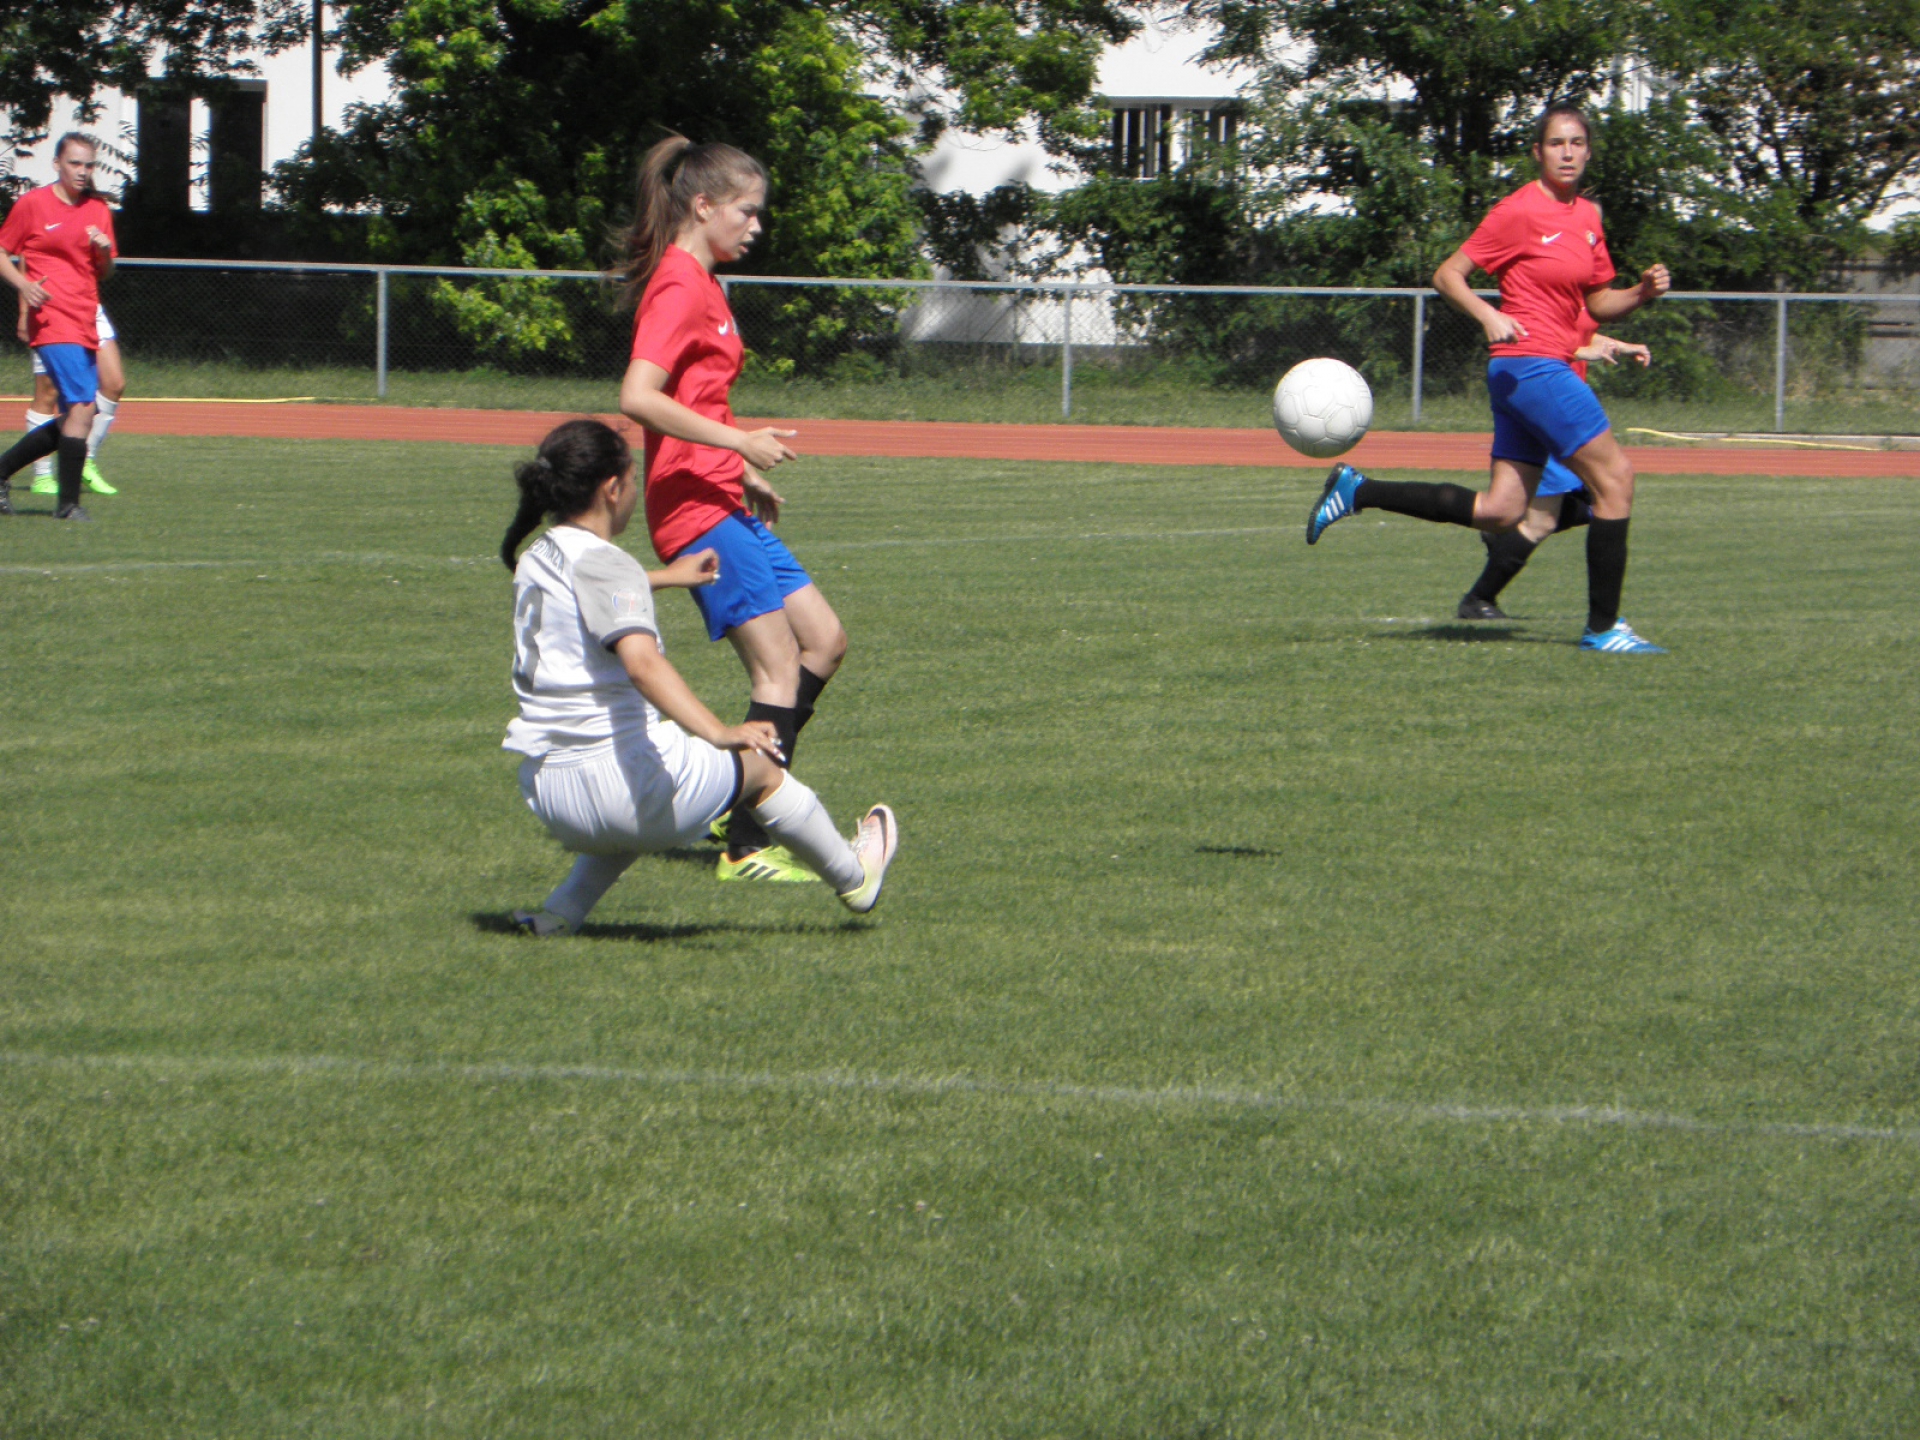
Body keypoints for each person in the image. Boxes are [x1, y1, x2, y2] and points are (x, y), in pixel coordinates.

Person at [501, 418, 898, 936]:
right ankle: (855, 876)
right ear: (612, 489)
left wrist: (667, 577)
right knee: (760, 768)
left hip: (551, 792)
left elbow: (588, 590)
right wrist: (719, 732)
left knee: (642, 788)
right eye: (633, 480)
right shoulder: (605, 562)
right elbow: (642, 664)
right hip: (613, 787)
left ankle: (559, 915)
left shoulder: (538, 555)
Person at [1306, 103, 1672, 654]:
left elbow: (1598, 301)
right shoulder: (1518, 211)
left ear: (1589, 152)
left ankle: (1359, 490)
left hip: (1526, 371)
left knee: (1502, 512)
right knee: (1615, 479)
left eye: (1576, 143)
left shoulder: (1588, 218)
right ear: (1538, 152)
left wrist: (1641, 293)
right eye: (1556, 143)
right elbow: (1448, 274)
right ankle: (1604, 629)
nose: (1567, 153)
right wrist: (1487, 314)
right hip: (1532, 367)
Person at [617, 135, 851, 882]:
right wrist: (737, 443)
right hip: (693, 510)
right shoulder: (679, 285)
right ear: (702, 206)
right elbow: (638, 396)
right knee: (777, 669)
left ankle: (742, 799)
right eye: (746, 211)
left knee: (825, 641)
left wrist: (739, 467)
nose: (757, 226)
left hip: (718, 493)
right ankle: (746, 841)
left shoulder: (708, 285)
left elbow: (698, 401)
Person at [1456, 320, 1651, 620]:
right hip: (1548, 413)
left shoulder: (1573, 303)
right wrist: (1578, 352)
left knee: (1597, 502)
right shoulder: (1541, 299)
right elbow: (1535, 342)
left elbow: (1577, 333)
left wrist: (1620, 346)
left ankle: (1505, 533)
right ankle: (1479, 598)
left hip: (1565, 415)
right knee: (1545, 521)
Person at [0, 132, 116, 520]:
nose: (82, 171)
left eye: (89, 165)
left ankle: (1, 472)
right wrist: (23, 286)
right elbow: (2, 250)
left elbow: (105, 271)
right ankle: (68, 506)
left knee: (75, 416)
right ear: (57, 164)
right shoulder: (34, 204)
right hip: (51, 319)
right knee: (82, 406)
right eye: (74, 163)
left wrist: (103, 251)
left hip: (84, 317)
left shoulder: (97, 209)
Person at [20, 296, 123, 496]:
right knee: (47, 392)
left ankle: (85, 459)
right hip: (51, 311)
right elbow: (28, 276)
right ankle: (42, 476)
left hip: (87, 308)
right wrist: (25, 312)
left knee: (114, 384)